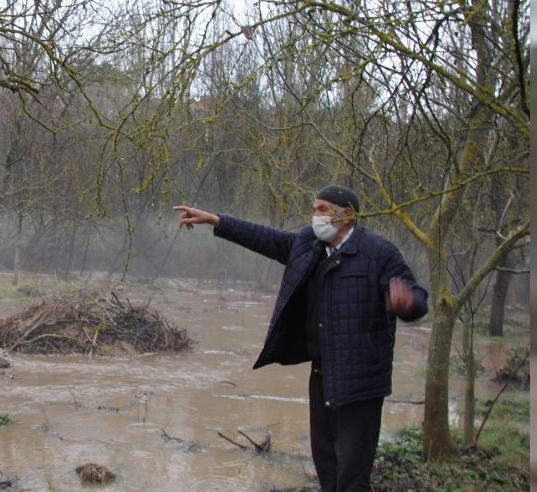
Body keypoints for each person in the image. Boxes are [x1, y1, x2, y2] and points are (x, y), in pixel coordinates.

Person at [174, 185, 428, 492]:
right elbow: (265, 238)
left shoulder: (378, 252)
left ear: (347, 215)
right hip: (322, 376)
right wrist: (217, 221)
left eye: (323, 209)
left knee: (352, 477)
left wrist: (407, 303)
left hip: (361, 383)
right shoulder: (311, 246)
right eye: (314, 209)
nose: (316, 216)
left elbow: (418, 298)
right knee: (327, 470)